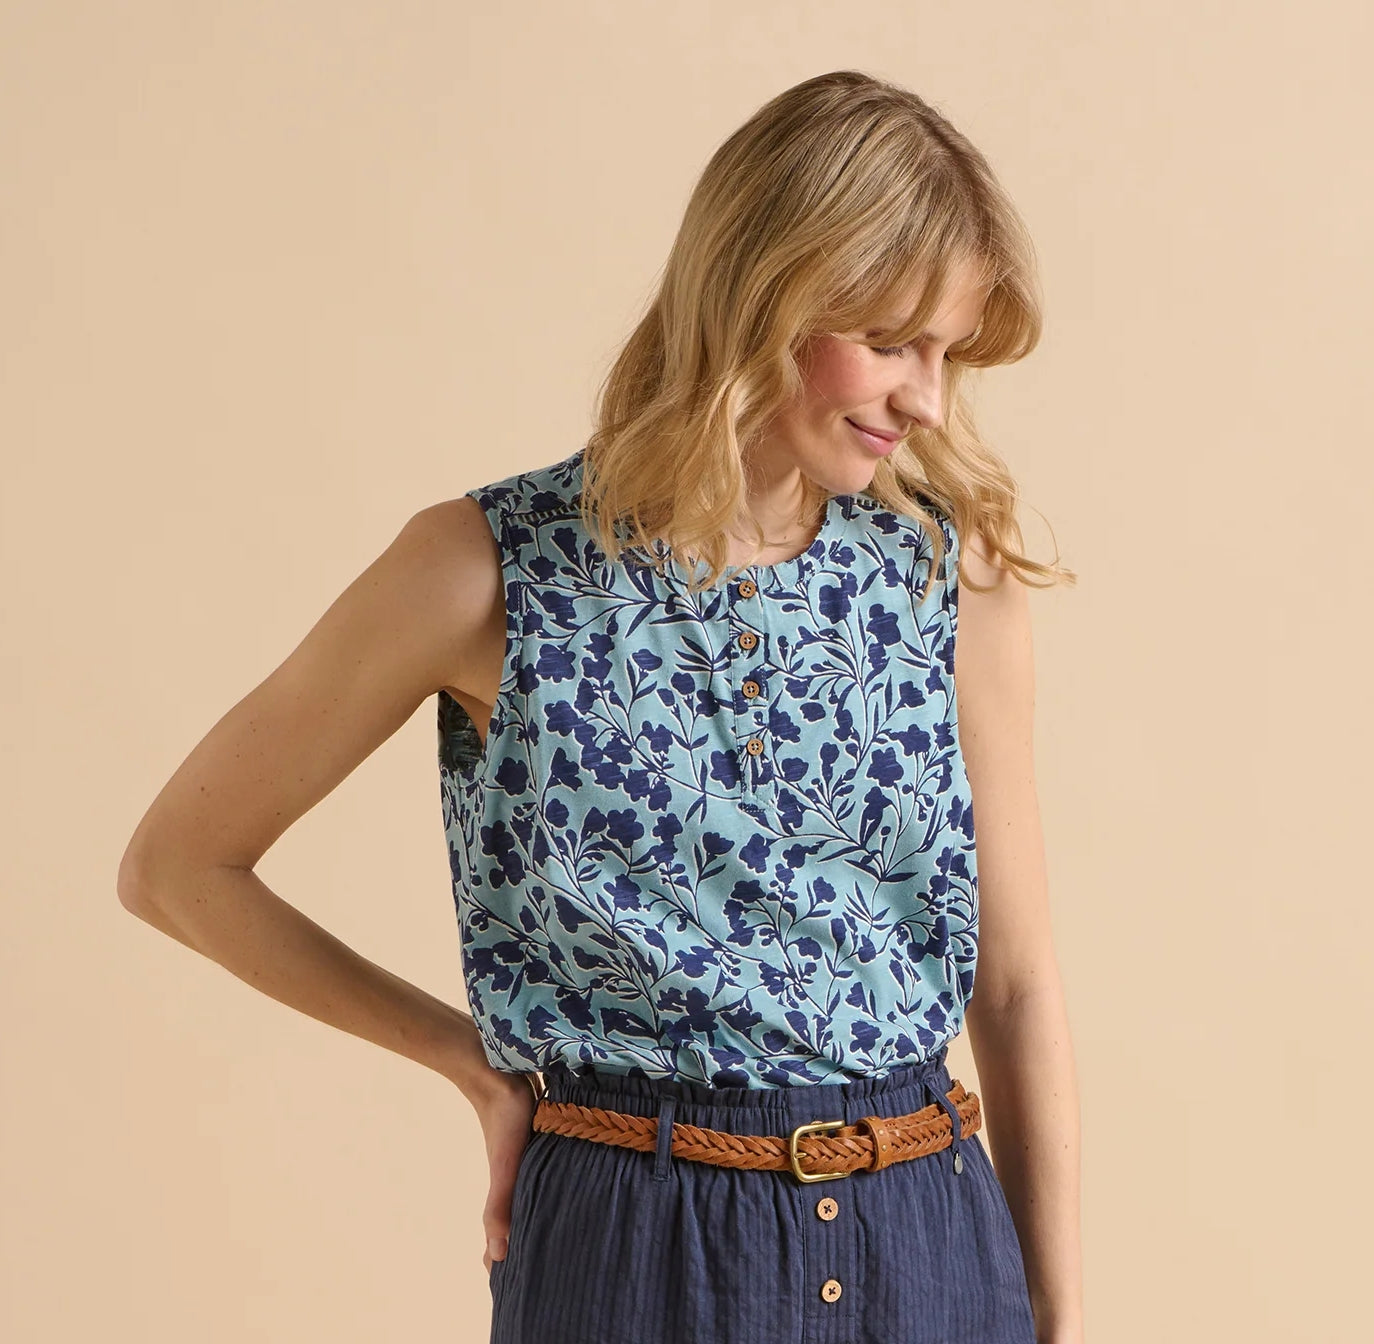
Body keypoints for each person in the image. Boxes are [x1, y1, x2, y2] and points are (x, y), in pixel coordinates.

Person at [119, 69, 1083, 1344]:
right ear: (762, 294)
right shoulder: (487, 570)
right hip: (632, 1238)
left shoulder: (944, 574)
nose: (929, 400)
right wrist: (468, 1063)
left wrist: (1061, 1317)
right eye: (891, 340)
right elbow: (178, 868)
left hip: (931, 1236)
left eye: (949, 351)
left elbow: (1011, 990)